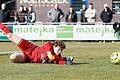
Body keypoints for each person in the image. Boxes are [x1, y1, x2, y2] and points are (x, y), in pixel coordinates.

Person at [0, 23, 74, 65]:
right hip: (30, 48)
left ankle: (21, 54)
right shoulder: (49, 45)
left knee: (13, 57)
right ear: (55, 46)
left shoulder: (57, 56)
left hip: (28, 58)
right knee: (10, 36)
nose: (60, 52)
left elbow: (58, 61)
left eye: (61, 51)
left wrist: (66, 62)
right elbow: (51, 57)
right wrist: (64, 58)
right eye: (59, 49)